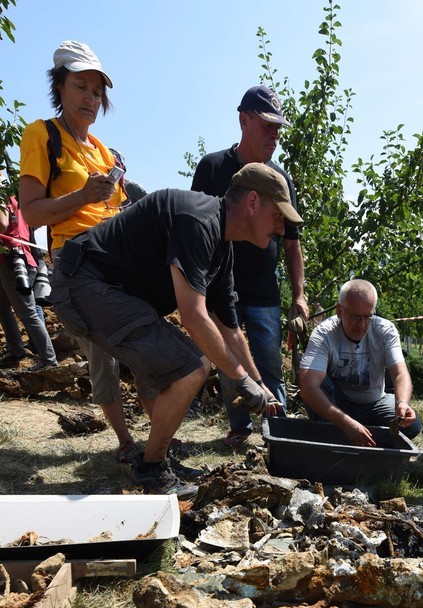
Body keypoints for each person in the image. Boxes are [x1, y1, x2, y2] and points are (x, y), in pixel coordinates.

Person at [50, 163, 303, 496]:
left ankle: (159, 457)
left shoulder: (221, 249)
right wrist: (240, 379)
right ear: (253, 202)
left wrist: (260, 384)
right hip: (82, 285)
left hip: (116, 294)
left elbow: (231, 330)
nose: (282, 228)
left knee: (171, 366)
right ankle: (150, 469)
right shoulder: (198, 220)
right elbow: (193, 316)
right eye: (278, 215)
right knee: (191, 365)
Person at [18, 40, 152, 463]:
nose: (90, 99)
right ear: (59, 86)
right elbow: (32, 214)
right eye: (80, 87)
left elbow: (119, 206)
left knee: (146, 347)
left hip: (117, 261)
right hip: (78, 263)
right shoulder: (42, 135)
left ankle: (160, 435)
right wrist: (81, 196)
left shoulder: (104, 151)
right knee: (104, 358)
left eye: (97, 92)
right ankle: (126, 443)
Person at [191, 84, 308, 447]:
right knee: (228, 363)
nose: (274, 135)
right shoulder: (212, 167)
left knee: (270, 363)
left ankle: (279, 431)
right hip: (218, 290)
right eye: (266, 125)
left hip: (263, 293)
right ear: (244, 120)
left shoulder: (280, 179)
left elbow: (292, 243)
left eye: (278, 128)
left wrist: (299, 295)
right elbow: (194, 228)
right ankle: (240, 428)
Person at [298, 279, 420, 447]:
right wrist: (345, 422)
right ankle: (338, 431)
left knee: (411, 426)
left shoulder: (386, 331)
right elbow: (307, 386)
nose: (362, 325)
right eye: (355, 317)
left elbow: (400, 373)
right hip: (338, 402)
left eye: (368, 317)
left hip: (374, 403)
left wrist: (402, 403)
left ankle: (351, 434)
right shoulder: (324, 333)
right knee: (316, 384)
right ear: (339, 311)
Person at [0, 180, 58, 368]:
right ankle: (15, 350)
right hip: (18, 258)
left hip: (12, 260)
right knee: (3, 308)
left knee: (27, 312)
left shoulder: (2, 196)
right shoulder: (15, 196)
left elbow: (2, 225)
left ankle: (48, 360)